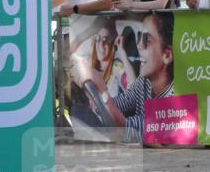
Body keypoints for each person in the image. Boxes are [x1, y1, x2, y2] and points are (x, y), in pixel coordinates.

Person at [71, 11, 174, 144]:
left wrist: (101, 88)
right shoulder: (144, 82)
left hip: (156, 155)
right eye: (139, 37)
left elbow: (125, 131)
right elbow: (120, 103)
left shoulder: (174, 100)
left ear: (167, 55)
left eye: (147, 40)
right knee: (79, 112)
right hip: (141, 153)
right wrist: (92, 92)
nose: (139, 45)